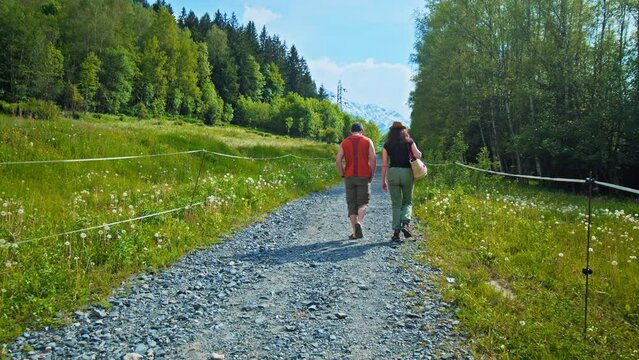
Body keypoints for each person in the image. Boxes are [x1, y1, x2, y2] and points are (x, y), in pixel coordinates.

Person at [381, 121, 422, 241]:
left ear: (391, 131)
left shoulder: (387, 144)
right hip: (407, 173)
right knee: (407, 201)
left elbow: (384, 165)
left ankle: (396, 233)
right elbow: (418, 155)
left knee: (396, 204)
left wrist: (383, 180)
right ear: (404, 130)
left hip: (393, 172)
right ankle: (406, 223)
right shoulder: (409, 141)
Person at [335, 122, 377, 239]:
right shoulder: (367, 141)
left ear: (351, 131)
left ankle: (354, 232)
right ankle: (359, 222)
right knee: (363, 202)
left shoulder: (345, 142)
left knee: (351, 204)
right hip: (364, 176)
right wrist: (371, 174)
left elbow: (338, 160)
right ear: (362, 131)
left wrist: (343, 173)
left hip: (349, 177)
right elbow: (373, 159)